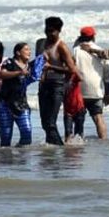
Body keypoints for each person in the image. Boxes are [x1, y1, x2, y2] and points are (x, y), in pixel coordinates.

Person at [37, 16, 79, 145]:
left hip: (57, 86)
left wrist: (51, 67)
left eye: (52, 31)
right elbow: (38, 64)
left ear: (59, 31)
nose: (49, 34)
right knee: (44, 123)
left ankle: (60, 149)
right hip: (43, 85)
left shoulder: (61, 47)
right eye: (47, 30)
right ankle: (51, 152)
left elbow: (72, 70)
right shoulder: (40, 43)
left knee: (50, 122)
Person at [64, 26, 109, 141]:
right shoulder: (100, 51)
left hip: (79, 91)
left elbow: (70, 67)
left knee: (78, 118)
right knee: (98, 117)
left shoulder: (76, 50)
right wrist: (107, 93)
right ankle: (104, 141)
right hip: (96, 90)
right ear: (93, 36)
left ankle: (78, 141)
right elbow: (107, 75)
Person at [0, 42, 44, 147]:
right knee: (6, 137)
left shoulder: (30, 66)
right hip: (5, 103)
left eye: (30, 49)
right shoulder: (9, 62)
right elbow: (2, 74)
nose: (29, 52)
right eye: (26, 49)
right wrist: (19, 73)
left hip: (21, 103)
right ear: (18, 52)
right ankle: (6, 159)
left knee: (27, 132)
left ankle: (20, 152)